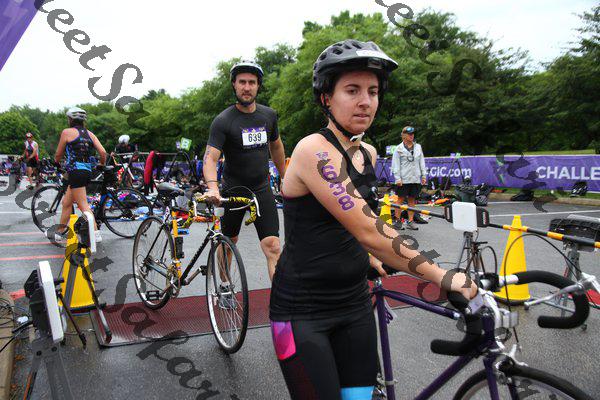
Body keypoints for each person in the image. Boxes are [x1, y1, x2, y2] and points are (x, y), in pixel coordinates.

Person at [268, 39, 476, 400]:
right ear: (326, 98)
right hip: (302, 311)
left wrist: (369, 257)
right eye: (352, 90)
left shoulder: (368, 152)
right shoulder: (313, 150)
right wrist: (443, 276)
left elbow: (351, 219)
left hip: (354, 303)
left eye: (373, 91)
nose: (366, 101)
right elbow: (369, 229)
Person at [203, 60, 286, 281]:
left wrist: (285, 176)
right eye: (242, 82)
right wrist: (213, 188)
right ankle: (224, 286)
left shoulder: (269, 116)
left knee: (273, 245)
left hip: (261, 189)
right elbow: (210, 158)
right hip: (233, 191)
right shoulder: (223, 121)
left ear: (258, 85)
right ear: (234, 84)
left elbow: (276, 147)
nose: (247, 87)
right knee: (229, 242)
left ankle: (281, 299)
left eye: (252, 82)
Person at [51, 107, 107, 242]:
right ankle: (60, 232)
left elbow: (58, 154)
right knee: (66, 203)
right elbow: (103, 152)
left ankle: (96, 233)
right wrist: (101, 164)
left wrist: (56, 163)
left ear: (70, 119)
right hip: (87, 171)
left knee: (83, 205)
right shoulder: (90, 134)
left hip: (75, 171)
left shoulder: (66, 132)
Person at [391, 125, 427, 230]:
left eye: (412, 134)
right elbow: (395, 165)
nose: (411, 136)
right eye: (409, 134)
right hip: (403, 179)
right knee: (400, 199)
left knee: (412, 200)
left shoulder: (418, 147)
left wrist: (423, 175)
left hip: (415, 178)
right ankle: (398, 221)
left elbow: (422, 161)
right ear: (403, 135)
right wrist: (397, 178)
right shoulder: (398, 149)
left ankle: (410, 221)